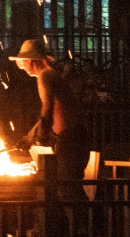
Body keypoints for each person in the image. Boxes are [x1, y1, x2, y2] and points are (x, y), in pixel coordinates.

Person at [11, 39, 90, 200]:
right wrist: (30, 135)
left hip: (70, 139)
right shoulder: (50, 75)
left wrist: (36, 136)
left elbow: (47, 110)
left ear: (32, 60)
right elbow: (51, 112)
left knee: (68, 189)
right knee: (67, 188)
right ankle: (83, 223)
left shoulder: (45, 76)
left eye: (23, 63)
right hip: (72, 137)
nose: (23, 67)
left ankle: (86, 224)